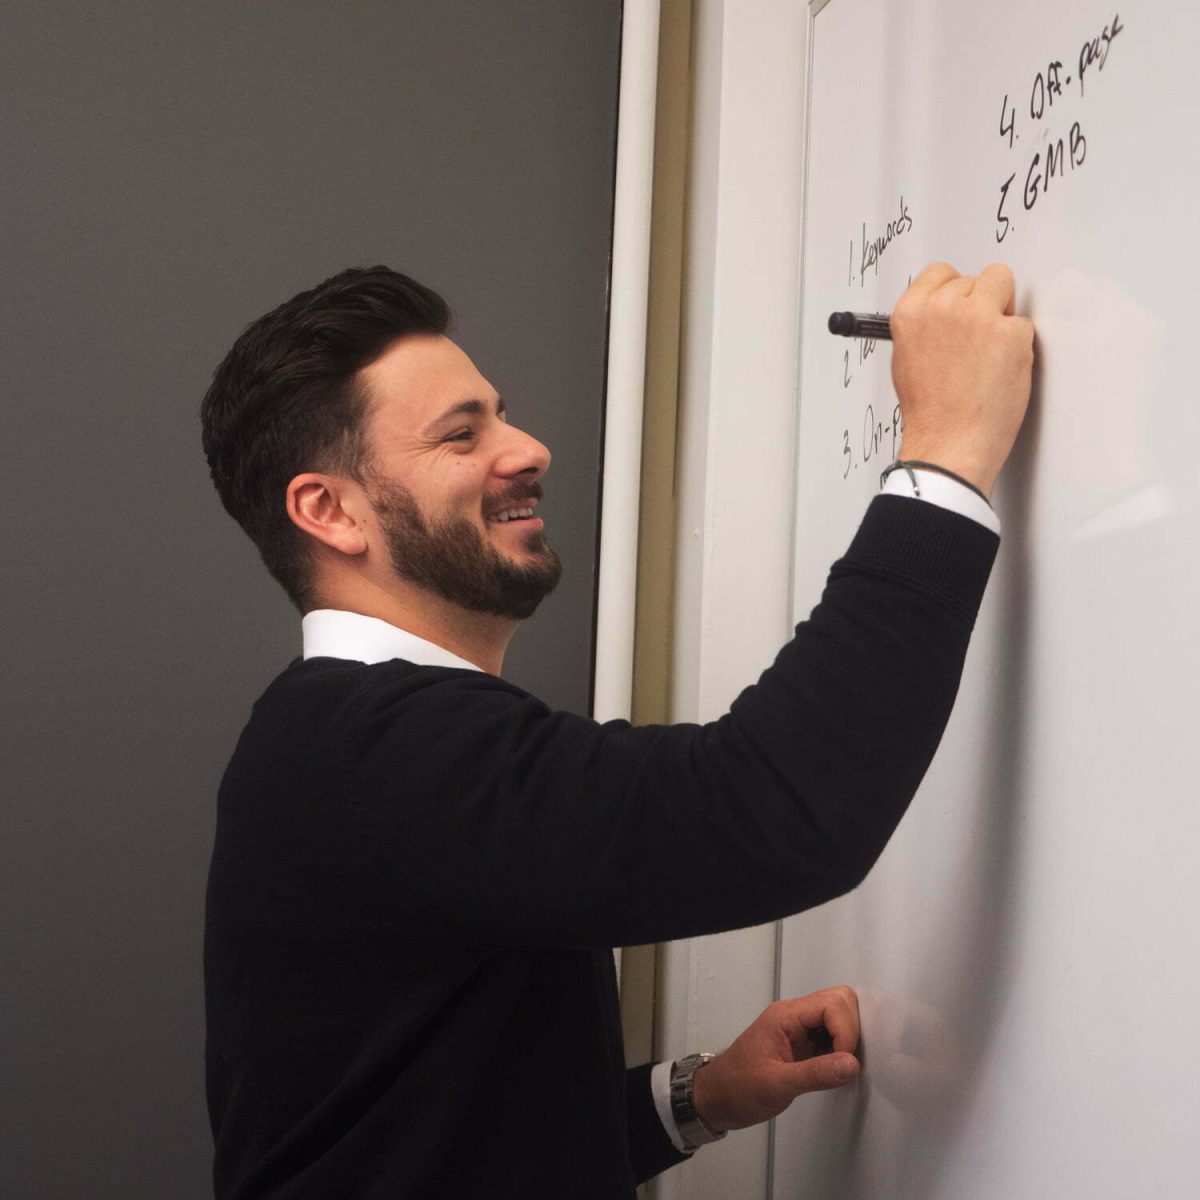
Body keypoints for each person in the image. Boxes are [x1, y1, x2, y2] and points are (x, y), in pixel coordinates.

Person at [200, 260, 1033, 1198]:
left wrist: (699, 1097)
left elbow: (422, 1129)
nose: (528, 448)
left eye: (502, 414)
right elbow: (777, 807)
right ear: (330, 511)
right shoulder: (372, 749)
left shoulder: (345, 741)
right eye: (460, 434)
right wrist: (949, 450)